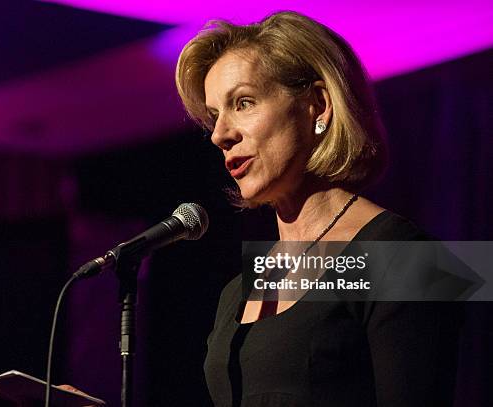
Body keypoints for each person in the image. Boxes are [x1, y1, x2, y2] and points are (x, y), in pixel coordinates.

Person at [175, 11, 462, 407]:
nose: (220, 135)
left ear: (318, 105)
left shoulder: (403, 257)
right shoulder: (237, 291)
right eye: (214, 117)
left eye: (243, 103)